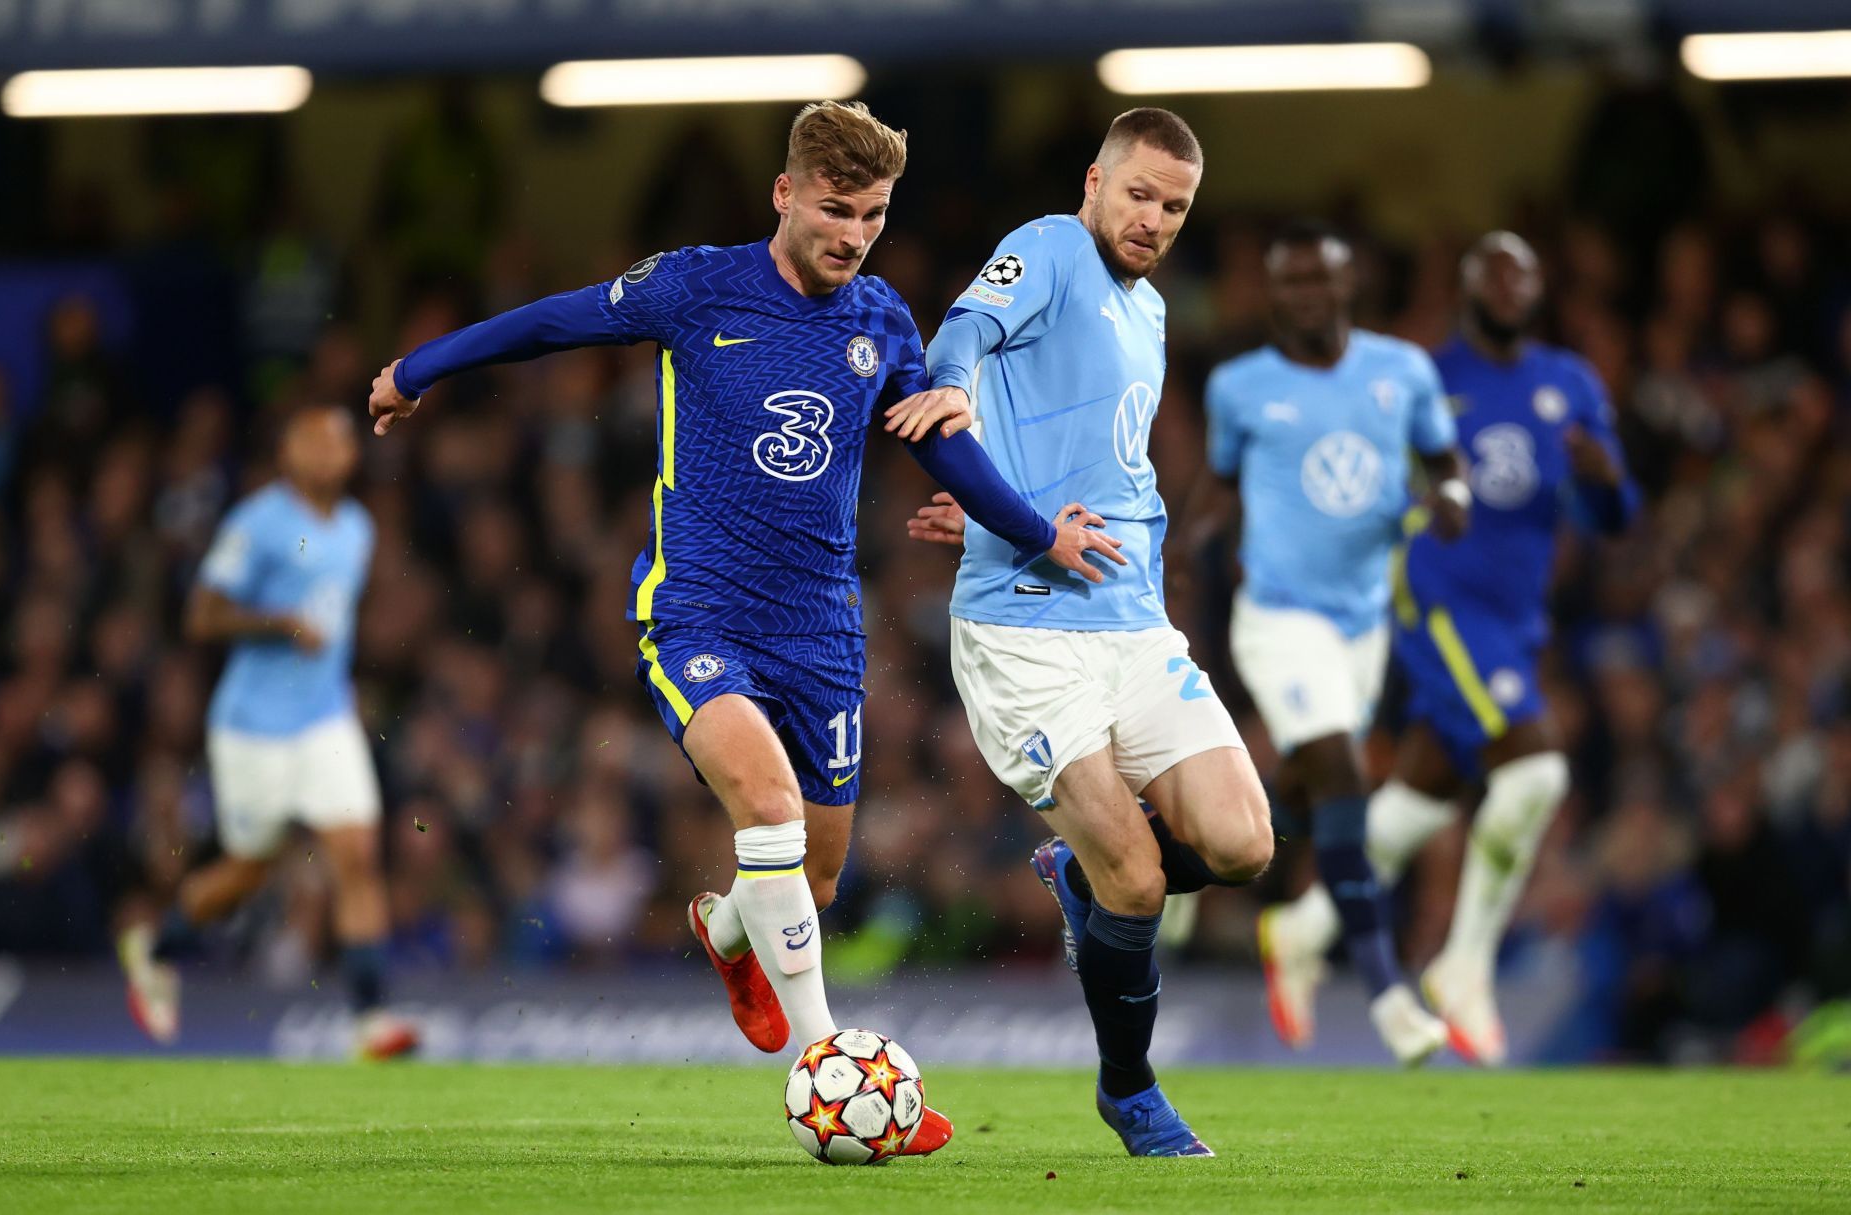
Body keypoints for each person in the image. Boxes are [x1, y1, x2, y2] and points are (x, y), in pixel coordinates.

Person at [366, 101, 1115, 1157]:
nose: (853, 235)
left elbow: (939, 450)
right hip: (699, 611)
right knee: (767, 806)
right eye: (837, 209)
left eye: (874, 217)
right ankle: (830, 1068)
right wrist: (418, 370)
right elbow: (549, 322)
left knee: (807, 877)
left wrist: (1039, 534)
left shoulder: (883, 322)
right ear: (786, 193)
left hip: (821, 632)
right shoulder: (695, 287)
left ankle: (727, 929)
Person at [899, 108, 1274, 1157]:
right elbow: (963, 335)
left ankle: (1075, 880)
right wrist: (953, 403)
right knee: (1144, 882)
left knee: (1243, 844)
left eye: (1175, 206)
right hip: (1026, 630)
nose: (1153, 218)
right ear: (1094, 181)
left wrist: (987, 499)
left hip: (1131, 620)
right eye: (1140, 193)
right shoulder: (1052, 245)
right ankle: (1130, 1089)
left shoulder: (1146, 310)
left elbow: (1081, 449)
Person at [1259, 232, 1638, 1065]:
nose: (1510, 287)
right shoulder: (1426, 381)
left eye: (1524, 274)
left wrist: (1605, 476)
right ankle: (1464, 965)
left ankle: (1302, 926)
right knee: (1536, 768)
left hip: (1513, 617)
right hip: (1438, 600)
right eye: (1493, 273)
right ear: (1469, 289)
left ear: (1539, 290)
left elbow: (1618, 517)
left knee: (1422, 797)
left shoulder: (1568, 384)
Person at [1209, 221, 1470, 1065]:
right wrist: (1176, 556)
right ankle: (1385, 987)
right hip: (1278, 616)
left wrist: (1453, 495)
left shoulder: (1403, 371)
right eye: (1289, 285)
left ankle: (1184, 849)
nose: (1305, 299)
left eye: (1319, 282)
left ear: (1347, 284)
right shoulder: (1240, 387)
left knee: (1317, 787)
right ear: (1273, 294)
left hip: (1364, 624)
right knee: (1346, 771)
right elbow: (1213, 491)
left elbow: (1443, 461)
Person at [118, 404, 419, 1061]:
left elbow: (335, 623)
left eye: (341, 439)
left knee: (357, 854)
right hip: (252, 727)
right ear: (290, 452)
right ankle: (157, 948)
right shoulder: (256, 524)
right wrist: (278, 623)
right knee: (249, 869)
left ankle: (370, 1017)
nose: (334, 450)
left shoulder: (357, 528)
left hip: (325, 720)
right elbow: (199, 617)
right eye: (318, 438)